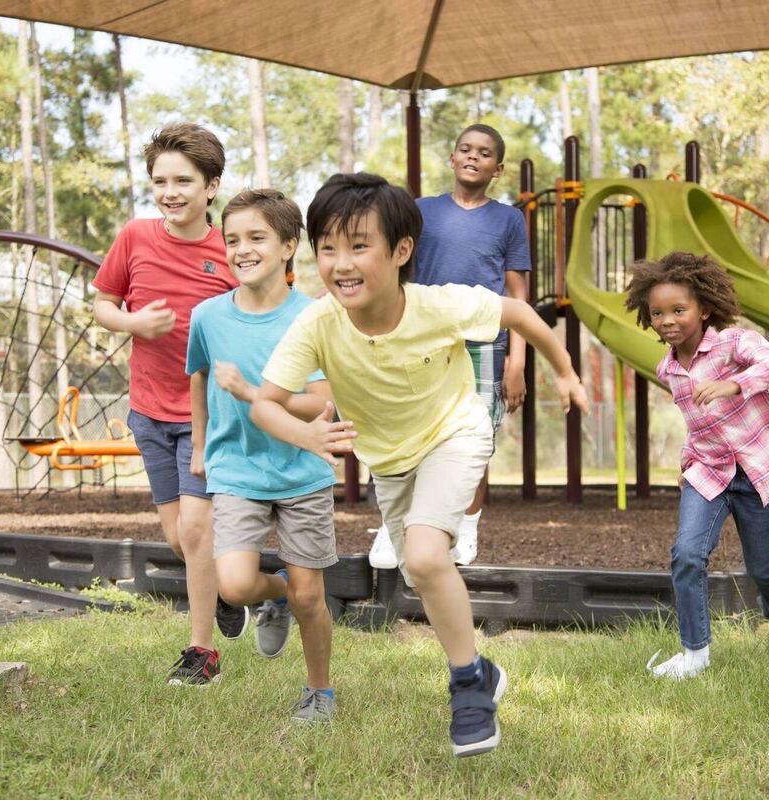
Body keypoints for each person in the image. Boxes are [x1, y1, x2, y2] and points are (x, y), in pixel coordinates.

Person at [251, 173, 589, 757]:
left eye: (359, 246)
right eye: (327, 247)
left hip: (455, 433)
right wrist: (304, 433)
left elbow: (522, 315)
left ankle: (466, 691)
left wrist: (564, 371)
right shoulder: (318, 323)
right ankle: (482, 671)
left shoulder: (441, 304)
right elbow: (265, 403)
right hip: (390, 458)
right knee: (420, 572)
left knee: (430, 555)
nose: (340, 263)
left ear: (401, 251)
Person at [92, 122, 247, 686]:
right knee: (177, 537)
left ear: (212, 187)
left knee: (197, 531)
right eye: (160, 181)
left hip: (209, 416)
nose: (170, 191)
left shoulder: (232, 249)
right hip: (148, 410)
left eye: (184, 180)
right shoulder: (134, 236)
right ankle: (233, 593)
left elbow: (263, 312)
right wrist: (133, 321)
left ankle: (201, 652)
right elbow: (104, 303)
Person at [624, 251, 769, 680]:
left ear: (703, 309)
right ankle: (695, 654)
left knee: (762, 567)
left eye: (678, 310)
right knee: (687, 555)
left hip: (756, 469)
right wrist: (688, 460)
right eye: (657, 313)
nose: (667, 320)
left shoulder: (734, 343)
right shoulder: (668, 369)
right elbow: (696, 424)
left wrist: (735, 383)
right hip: (708, 471)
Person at [186, 188, 339, 721]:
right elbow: (200, 377)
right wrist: (200, 445)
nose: (241, 249)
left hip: (302, 471)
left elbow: (320, 404)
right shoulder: (207, 316)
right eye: (232, 240)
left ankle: (319, 691)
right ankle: (273, 597)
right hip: (236, 469)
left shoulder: (314, 316)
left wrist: (254, 392)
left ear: (288, 246)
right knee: (233, 584)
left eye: (257, 238)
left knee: (311, 597)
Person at [368, 123, 531, 569]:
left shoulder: (508, 220)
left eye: (484, 153)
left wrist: (517, 361)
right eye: (465, 149)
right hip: (422, 341)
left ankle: (467, 528)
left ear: (497, 169)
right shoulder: (421, 211)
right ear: (452, 158)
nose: (473, 157)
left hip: (483, 343)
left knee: (474, 440)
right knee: (407, 431)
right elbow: (393, 267)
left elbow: (518, 297)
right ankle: (393, 525)